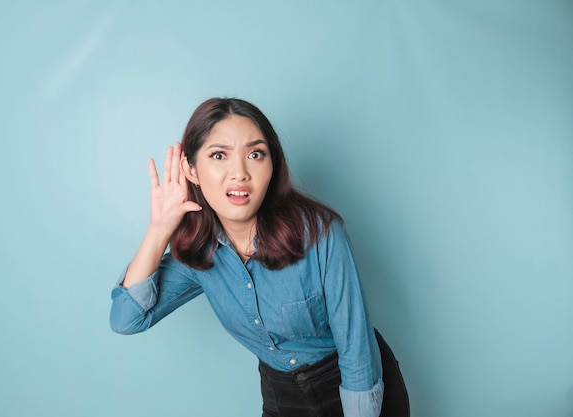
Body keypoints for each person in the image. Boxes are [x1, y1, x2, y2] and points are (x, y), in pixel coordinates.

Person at [109, 97, 384, 417]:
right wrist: (159, 231)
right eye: (219, 155)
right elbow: (125, 319)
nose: (239, 173)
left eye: (255, 154)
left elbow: (357, 353)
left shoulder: (320, 233)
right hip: (282, 396)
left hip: (356, 393)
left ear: (272, 166)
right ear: (191, 170)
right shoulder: (200, 254)